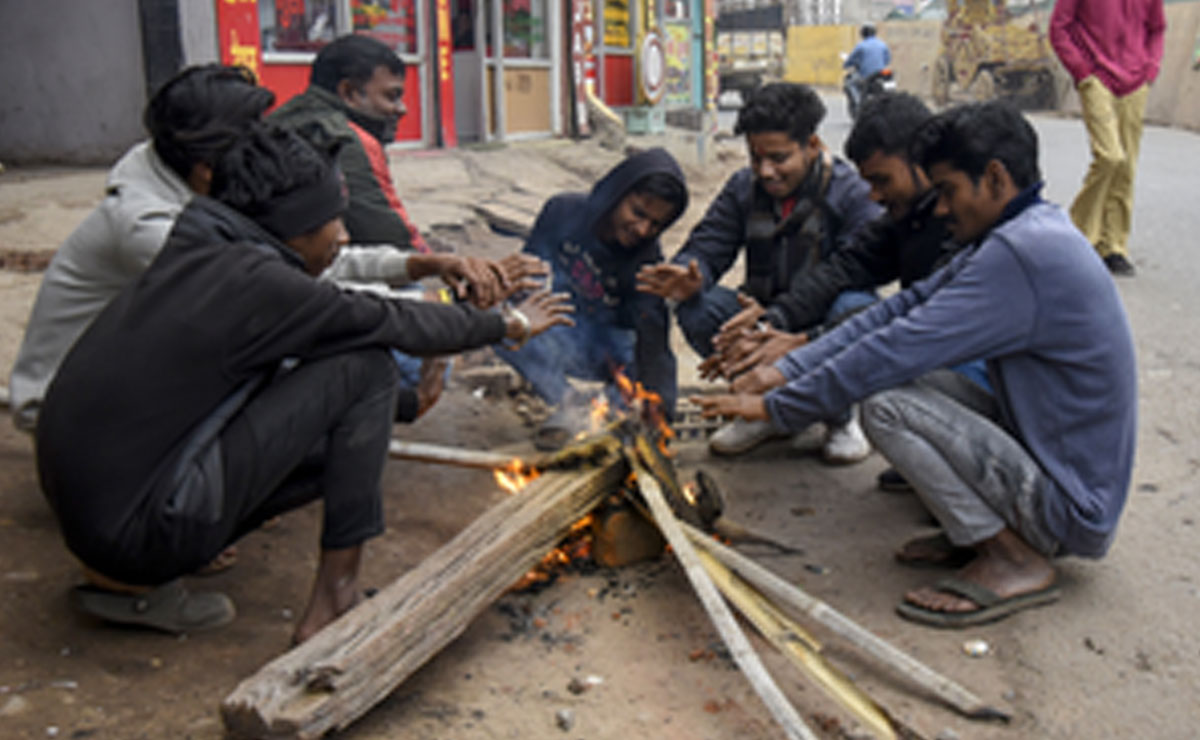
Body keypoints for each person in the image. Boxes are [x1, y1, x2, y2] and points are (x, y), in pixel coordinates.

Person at [35, 124, 574, 643]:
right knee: (364, 366)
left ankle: (138, 583)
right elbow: (380, 321)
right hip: (136, 533)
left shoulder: (205, 244)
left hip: (98, 519)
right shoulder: (258, 284)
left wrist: (418, 389)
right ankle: (334, 599)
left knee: (343, 427)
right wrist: (512, 324)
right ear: (293, 226)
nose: (342, 236)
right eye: (333, 221)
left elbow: (335, 350)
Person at [692, 102, 1137, 628]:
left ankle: (1014, 558)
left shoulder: (1023, 254)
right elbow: (898, 309)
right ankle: (976, 534)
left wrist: (779, 405)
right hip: (1049, 467)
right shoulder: (1021, 232)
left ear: (994, 178)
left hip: (1068, 506)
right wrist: (787, 369)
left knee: (886, 405)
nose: (942, 208)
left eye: (948, 190)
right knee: (901, 376)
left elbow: (895, 346)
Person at [703, 92, 989, 492]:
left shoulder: (971, 231)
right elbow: (845, 269)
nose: (873, 195)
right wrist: (775, 323)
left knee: (878, 376)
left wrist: (795, 354)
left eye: (882, 181)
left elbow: (911, 326)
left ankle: (964, 476)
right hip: (900, 341)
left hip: (983, 381)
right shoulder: (906, 218)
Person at [7, 65, 274, 433]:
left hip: (122, 383)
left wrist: (379, 264)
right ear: (206, 165)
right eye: (256, 139)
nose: (270, 149)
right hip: (74, 418)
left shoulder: (182, 176)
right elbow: (267, 285)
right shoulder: (145, 227)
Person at [636, 82, 883, 463]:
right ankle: (765, 408)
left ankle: (839, 415)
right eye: (755, 158)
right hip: (763, 314)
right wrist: (691, 274)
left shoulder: (851, 194)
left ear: (813, 146)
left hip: (813, 324)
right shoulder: (743, 188)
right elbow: (710, 241)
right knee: (698, 308)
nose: (765, 171)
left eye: (779, 158)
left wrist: (781, 323)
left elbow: (851, 272)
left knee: (857, 308)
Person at [495, 148, 688, 450]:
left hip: (612, 352)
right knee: (499, 322)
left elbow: (655, 341)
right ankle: (568, 403)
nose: (643, 229)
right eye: (638, 213)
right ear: (615, 193)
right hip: (562, 333)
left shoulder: (647, 261)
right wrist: (513, 303)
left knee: (641, 356)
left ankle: (606, 412)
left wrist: (662, 409)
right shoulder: (562, 211)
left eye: (656, 224)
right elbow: (528, 273)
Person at [269, 33, 431, 251]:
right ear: (349, 92)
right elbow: (389, 237)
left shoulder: (284, 117)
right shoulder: (347, 139)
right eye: (391, 96)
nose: (402, 109)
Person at [1049, 0, 1165, 277]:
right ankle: (1076, 237)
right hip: (1096, 76)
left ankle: (1113, 246)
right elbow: (1059, 28)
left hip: (1136, 80)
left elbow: (1157, 28)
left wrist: (1151, 67)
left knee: (1126, 167)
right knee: (1110, 156)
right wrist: (1081, 70)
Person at [843, 23, 891, 113]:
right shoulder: (882, 44)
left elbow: (850, 60)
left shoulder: (861, 46)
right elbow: (887, 60)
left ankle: (857, 103)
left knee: (850, 83)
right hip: (881, 75)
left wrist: (846, 64)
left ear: (862, 34)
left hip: (866, 75)